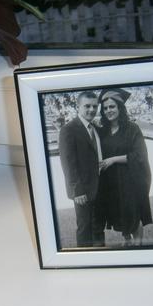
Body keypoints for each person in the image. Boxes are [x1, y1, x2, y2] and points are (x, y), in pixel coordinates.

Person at [97, 88, 152, 247]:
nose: (109, 110)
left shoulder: (132, 128)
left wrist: (114, 159)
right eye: (105, 108)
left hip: (130, 180)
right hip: (112, 182)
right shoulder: (103, 131)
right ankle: (127, 242)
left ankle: (138, 247)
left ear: (120, 107)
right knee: (118, 214)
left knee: (133, 214)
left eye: (112, 106)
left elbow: (139, 155)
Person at [58, 91, 105, 248]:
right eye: (87, 106)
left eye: (95, 106)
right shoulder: (69, 129)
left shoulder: (95, 128)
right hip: (82, 191)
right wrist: (77, 191)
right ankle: (85, 258)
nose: (92, 109)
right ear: (78, 106)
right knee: (85, 228)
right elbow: (68, 163)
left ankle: (101, 256)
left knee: (98, 226)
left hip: (99, 187)